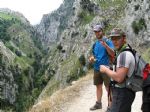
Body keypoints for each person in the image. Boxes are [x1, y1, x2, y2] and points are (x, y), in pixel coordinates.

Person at [100, 28, 136, 112]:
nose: (114, 41)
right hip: (126, 92)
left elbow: (119, 78)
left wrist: (105, 70)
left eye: (117, 38)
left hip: (122, 93)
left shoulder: (124, 55)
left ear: (123, 38)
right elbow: (113, 55)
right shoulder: (123, 50)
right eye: (113, 38)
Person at [89, 24, 114, 111]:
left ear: (102, 31)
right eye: (95, 32)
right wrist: (91, 58)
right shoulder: (95, 44)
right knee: (98, 86)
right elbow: (93, 54)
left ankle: (111, 107)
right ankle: (98, 104)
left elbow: (113, 53)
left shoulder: (107, 41)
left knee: (108, 88)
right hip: (96, 68)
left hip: (106, 68)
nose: (97, 33)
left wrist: (106, 46)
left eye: (98, 31)